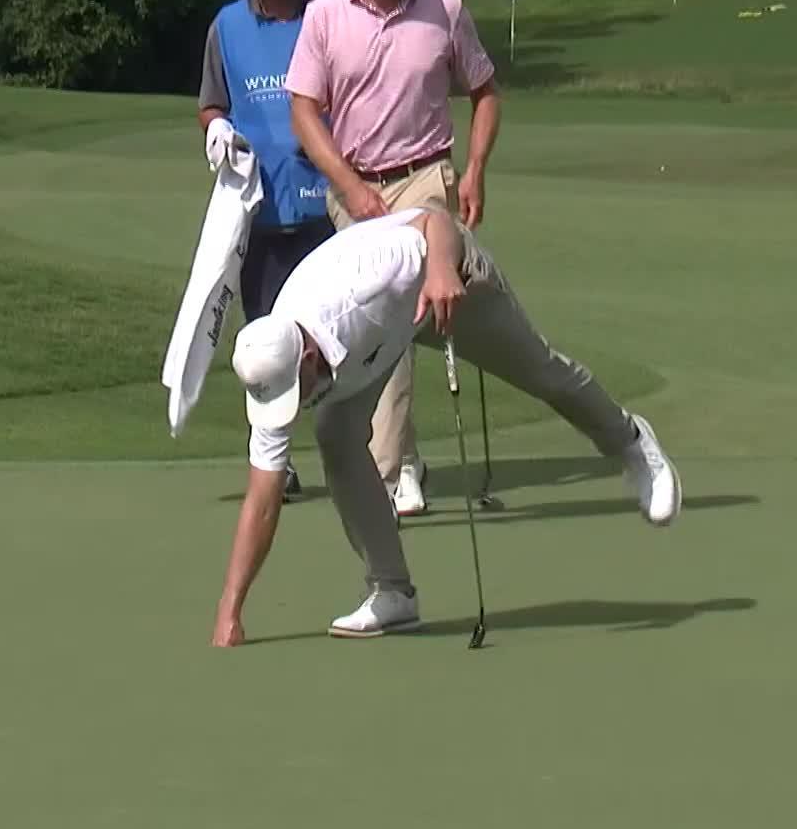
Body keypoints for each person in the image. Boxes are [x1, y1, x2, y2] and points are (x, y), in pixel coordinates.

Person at [208, 205, 681, 648]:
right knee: (335, 433)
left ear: (307, 356)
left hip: (439, 276)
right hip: (384, 334)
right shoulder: (270, 370)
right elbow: (263, 497)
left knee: (540, 371)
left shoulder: (360, 286)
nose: (295, 404)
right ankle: (393, 591)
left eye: (298, 387)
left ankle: (632, 443)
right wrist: (231, 610)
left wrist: (439, 272)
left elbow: (436, 223)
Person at [285, 0, 505, 520]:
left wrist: (478, 170)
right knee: (372, 320)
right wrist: (349, 185)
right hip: (355, 186)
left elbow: (485, 94)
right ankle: (402, 458)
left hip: (426, 178)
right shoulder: (326, 15)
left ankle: (386, 474)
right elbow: (304, 109)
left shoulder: (446, 10)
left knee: (402, 305)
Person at [197, 0, 332, 501]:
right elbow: (212, 102)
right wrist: (216, 132)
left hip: (327, 204)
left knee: (336, 344)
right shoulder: (226, 26)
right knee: (263, 344)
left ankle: (377, 459)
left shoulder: (329, 13)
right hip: (259, 209)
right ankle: (276, 464)